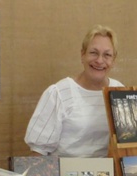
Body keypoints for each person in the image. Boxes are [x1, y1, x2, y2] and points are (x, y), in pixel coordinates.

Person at [24, 25, 124, 157]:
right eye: (93, 53)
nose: (99, 60)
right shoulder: (58, 93)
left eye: (107, 55)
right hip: (64, 175)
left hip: (108, 175)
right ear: (82, 55)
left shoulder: (120, 93)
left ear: (113, 60)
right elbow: (38, 151)